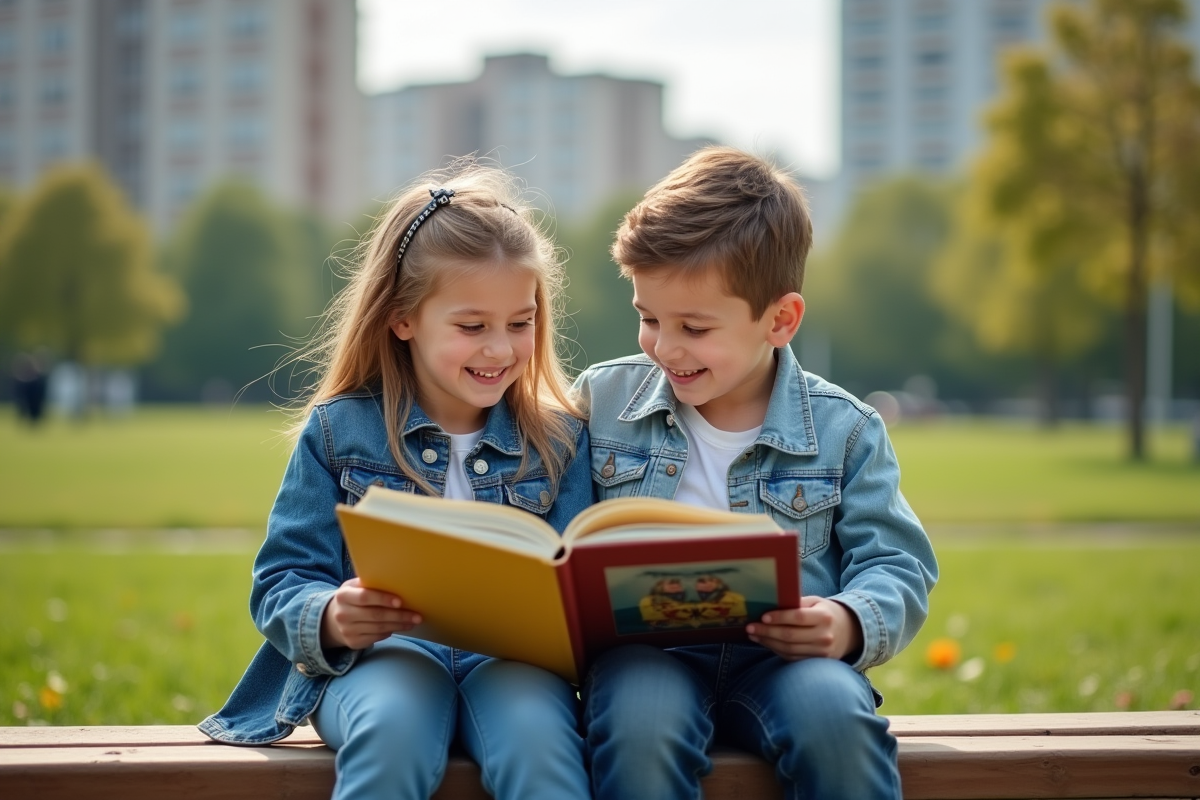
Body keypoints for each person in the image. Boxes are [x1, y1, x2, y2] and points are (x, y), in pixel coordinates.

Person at [198, 162, 594, 800]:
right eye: (472, 327)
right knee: (394, 729)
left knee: (538, 742)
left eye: (520, 324)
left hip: (513, 667)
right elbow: (281, 579)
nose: (500, 349)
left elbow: (575, 582)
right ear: (403, 318)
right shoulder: (339, 432)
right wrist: (330, 615)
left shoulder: (560, 439)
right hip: (378, 660)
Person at [573, 146, 939, 800]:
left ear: (779, 320)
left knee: (837, 721)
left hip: (787, 661)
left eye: (694, 326)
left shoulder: (845, 429)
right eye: (648, 318)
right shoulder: (600, 402)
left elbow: (898, 563)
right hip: (646, 659)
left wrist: (848, 620)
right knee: (639, 729)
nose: (665, 346)